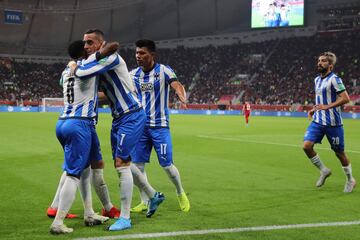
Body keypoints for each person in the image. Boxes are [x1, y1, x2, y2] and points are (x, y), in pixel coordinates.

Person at [70, 29, 165, 231]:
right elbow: (101, 93)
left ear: (100, 44)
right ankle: (153, 195)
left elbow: (82, 72)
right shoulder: (97, 61)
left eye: (89, 43)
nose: (85, 46)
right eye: (84, 43)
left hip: (131, 114)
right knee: (123, 161)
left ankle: (125, 217)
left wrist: (74, 66)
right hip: (119, 118)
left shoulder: (110, 58)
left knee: (122, 163)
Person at [49, 40, 118, 234]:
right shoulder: (87, 66)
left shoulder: (66, 71)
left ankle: (89, 213)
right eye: (88, 47)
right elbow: (104, 55)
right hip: (79, 123)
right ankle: (58, 222)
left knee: (87, 169)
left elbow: (67, 82)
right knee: (73, 175)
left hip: (65, 121)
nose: (91, 48)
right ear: (84, 52)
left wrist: (72, 63)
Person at [129, 39, 190, 214]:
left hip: (159, 126)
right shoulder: (133, 74)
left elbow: (176, 84)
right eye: (137, 53)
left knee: (167, 165)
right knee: (138, 167)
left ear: (152, 55)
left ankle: (180, 192)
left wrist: (181, 95)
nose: (138, 56)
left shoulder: (164, 71)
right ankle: (144, 201)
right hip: (140, 127)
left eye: (142, 53)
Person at [303, 51, 356, 193]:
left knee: (339, 153)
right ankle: (324, 170)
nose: (319, 63)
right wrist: (314, 109)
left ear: (330, 66)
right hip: (318, 121)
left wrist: (326, 107)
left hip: (333, 124)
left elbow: (345, 98)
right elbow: (320, 100)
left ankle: (350, 179)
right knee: (307, 146)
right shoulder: (316, 80)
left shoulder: (335, 79)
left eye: (323, 61)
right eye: (319, 60)